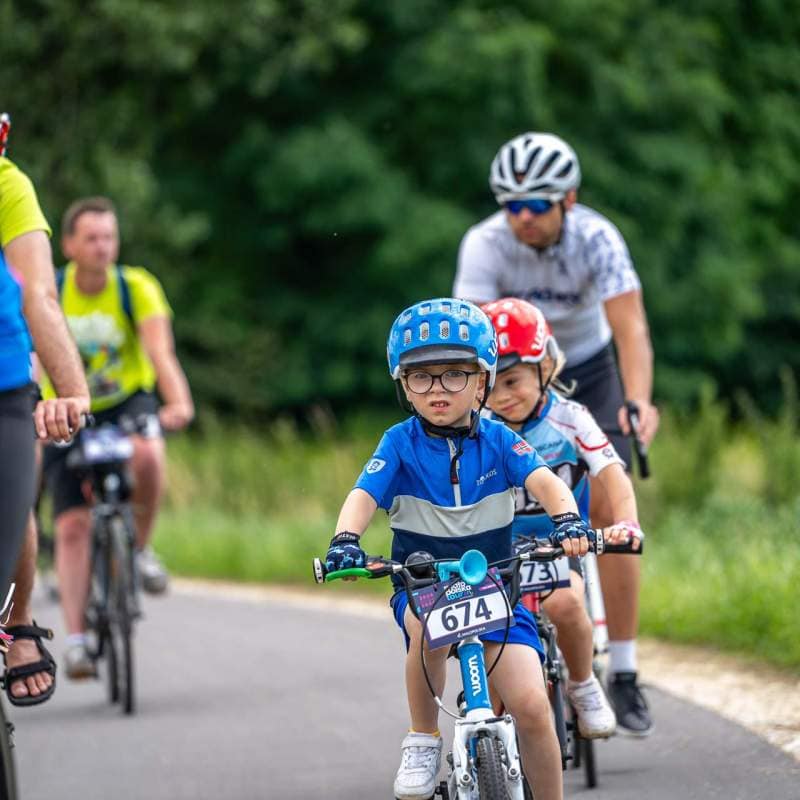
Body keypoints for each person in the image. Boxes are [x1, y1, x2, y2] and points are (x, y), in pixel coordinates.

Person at [325, 297, 596, 800]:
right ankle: (423, 737)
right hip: (424, 584)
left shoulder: (499, 440)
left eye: (455, 375)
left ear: (482, 381)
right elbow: (363, 495)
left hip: (497, 588)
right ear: (403, 384)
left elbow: (544, 480)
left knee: (534, 707)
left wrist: (567, 519)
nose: (438, 390)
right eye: (421, 377)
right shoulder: (398, 443)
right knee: (428, 634)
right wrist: (346, 540)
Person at [453, 132, 658, 734]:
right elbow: (471, 339)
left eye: (536, 204)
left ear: (568, 198)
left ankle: (622, 671)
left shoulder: (598, 237)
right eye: (509, 204)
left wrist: (638, 401)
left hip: (587, 367)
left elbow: (631, 329)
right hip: (507, 370)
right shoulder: (484, 243)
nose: (521, 217)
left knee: (605, 508)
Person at [40, 196, 194, 679]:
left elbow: (159, 352)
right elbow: (33, 357)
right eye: (91, 238)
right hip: (66, 405)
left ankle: (140, 549)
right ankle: (79, 642)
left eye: (109, 237)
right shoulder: (51, 290)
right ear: (68, 245)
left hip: (126, 401)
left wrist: (179, 403)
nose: (103, 246)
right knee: (71, 526)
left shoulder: (136, 286)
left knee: (148, 453)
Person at [483, 296, 644, 738]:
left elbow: (612, 473)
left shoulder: (570, 417)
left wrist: (626, 522)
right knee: (491, 629)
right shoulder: (479, 426)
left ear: (546, 367)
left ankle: (583, 683)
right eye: (491, 385)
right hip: (500, 548)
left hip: (561, 540)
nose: (502, 397)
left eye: (513, 380)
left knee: (567, 603)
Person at [0, 134, 90, 705]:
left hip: (2, 375)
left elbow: (37, 292)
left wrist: (70, 390)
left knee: (11, 497)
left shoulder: (5, 181)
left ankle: (17, 624)